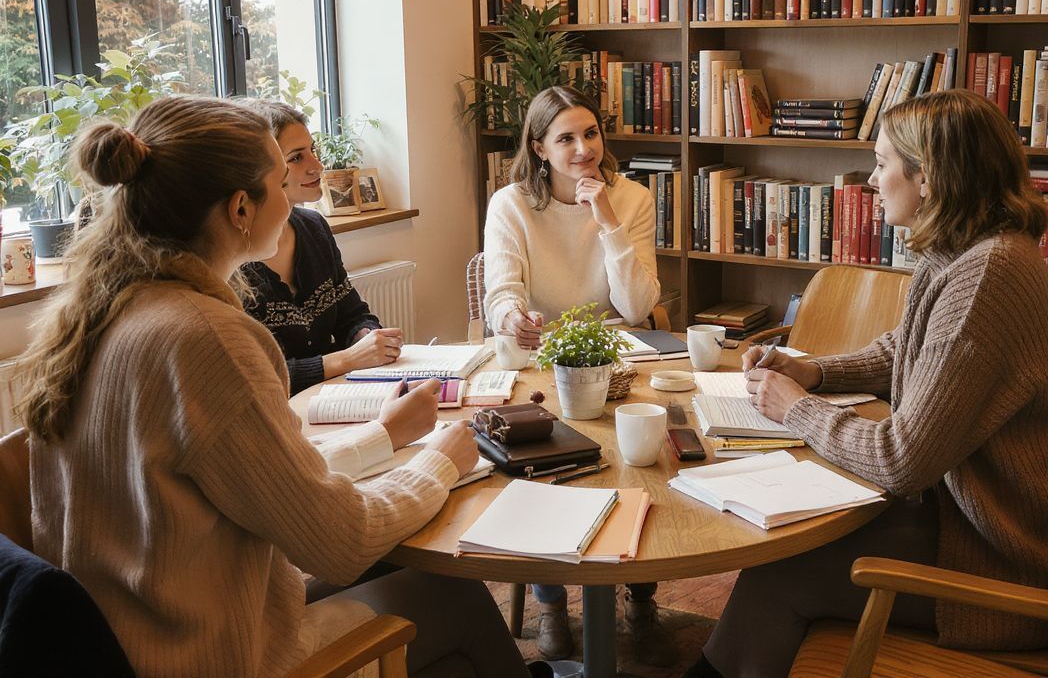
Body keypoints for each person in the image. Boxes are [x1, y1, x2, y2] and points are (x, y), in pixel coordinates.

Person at [14, 96, 536, 678]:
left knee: (401, 575)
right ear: (241, 208)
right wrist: (439, 463)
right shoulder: (207, 338)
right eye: (279, 181)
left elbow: (257, 477)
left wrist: (382, 436)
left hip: (131, 636)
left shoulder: (102, 311)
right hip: (216, 655)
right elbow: (341, 540)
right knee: (452, 596)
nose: (292, 195)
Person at [686, 90, 1048, 678]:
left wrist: (798, 407)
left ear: (927, 177)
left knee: (781, 572)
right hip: (978, 528)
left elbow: (901, 459)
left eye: (882, 163)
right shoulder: (963, 250)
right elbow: (907, 350)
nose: (871, 180)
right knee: (789, 549)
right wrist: (815, 371)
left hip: (1014, 565)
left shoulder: (988, 275)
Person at [483, 85, 675, 666]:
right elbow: (501, 292)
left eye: (590, 134)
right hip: (544, 356)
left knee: (640, 461)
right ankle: (550, 602)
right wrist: (513, 319)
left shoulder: (632, 198)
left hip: (617, 356)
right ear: (539, 148)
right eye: (565, 138)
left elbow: (637, 307)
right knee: (537, 465)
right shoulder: (511, 204)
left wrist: (607, 220)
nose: (583, 149)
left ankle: (641, 596)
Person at [240, 99, 404, 394]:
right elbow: (255, 377)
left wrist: (366, 336)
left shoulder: (314, 227)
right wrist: (348, 359)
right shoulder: (232, 260)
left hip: (334, 397)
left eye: (313, 150)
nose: (317, 165)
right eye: (296, 158)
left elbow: (352, 314)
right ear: (261, 171)